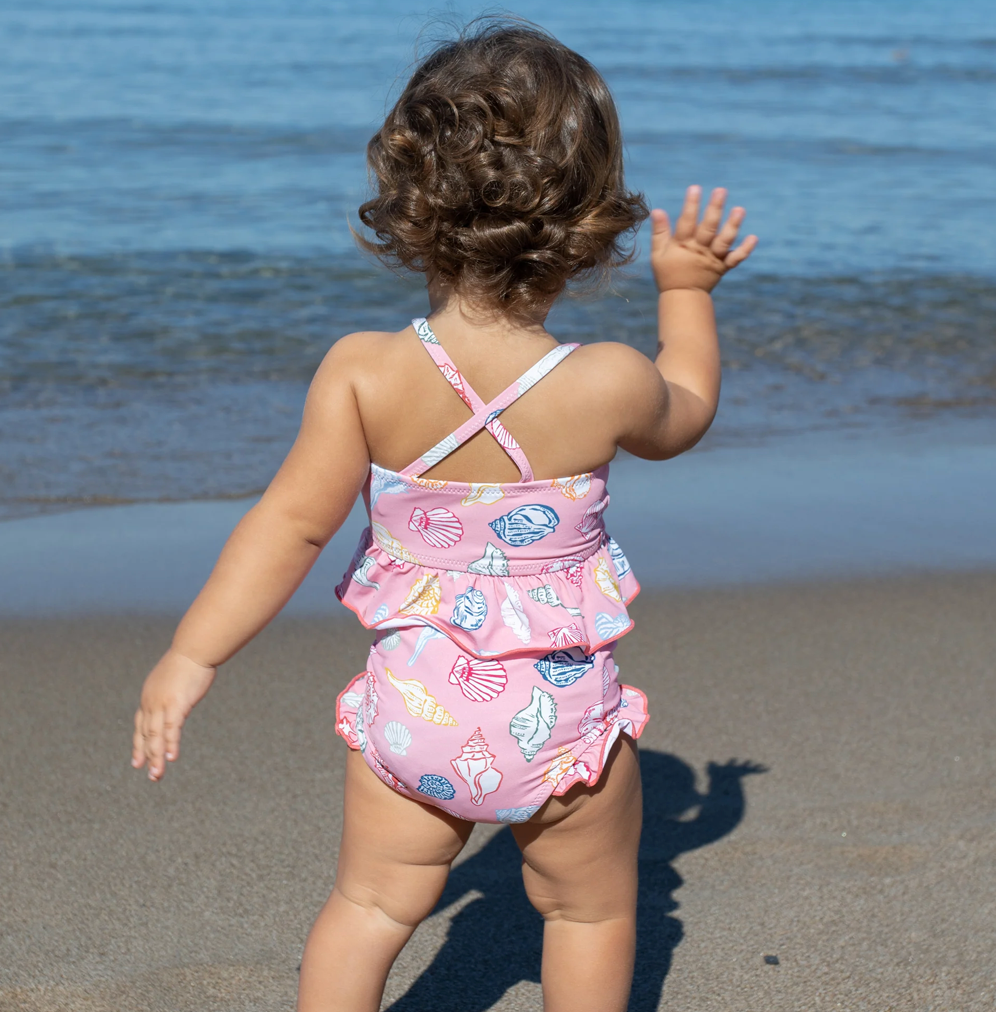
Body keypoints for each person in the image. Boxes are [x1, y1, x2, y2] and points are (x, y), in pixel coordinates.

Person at [131, 18, 756, 1012]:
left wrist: (193, 654)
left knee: (370, 907)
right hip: (561, 734)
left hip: (413, 717)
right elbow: (687, 412)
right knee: (587, 914)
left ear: (410, 200)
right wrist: (687, 289)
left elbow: (290, 525)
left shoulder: (364, 372)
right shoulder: (604, 382)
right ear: (590, 218)